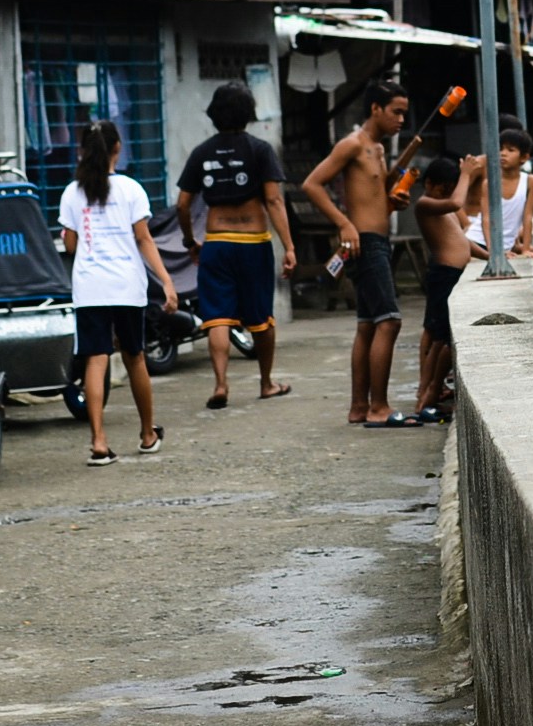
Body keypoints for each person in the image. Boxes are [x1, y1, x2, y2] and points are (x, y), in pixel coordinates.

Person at [59, 120, 176, 466]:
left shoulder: (72, 192)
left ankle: (98, 440)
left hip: (90, 287)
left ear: (83, 151)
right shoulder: (131, 190)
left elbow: (69, 245)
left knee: (96, 360)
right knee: (135, 356)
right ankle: (146, 434)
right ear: (117, 149)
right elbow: (144, 239)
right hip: (126, 286)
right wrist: (167, 282)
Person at [175, 81, 295, 410]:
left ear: (214, 113)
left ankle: (221, 384)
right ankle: (266, 383)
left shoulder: (202, 152)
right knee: (260, 317)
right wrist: (289, 247)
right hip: (253, 243)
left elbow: (182, 205)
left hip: (216, 242)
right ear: (248, 113)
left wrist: (190, 241)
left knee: (218, 317)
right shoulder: (260, 149)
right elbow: (273, 200)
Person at [302, 80, 413, 428]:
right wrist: (343, 224)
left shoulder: (378, 150)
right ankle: (378, 408)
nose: (400, 120)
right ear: (375, 109)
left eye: (404, 114)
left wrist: (392, 203)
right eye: (396, 112)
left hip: (375, 240)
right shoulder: (352, 144)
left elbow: (372, 198)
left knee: (368, 325)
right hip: (363, 242)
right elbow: (312, 184)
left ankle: (359, 407)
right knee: (389, 321)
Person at [410, 153, 479, 422]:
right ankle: (426, 396)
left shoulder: (444, 206)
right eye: (444, 188)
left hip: (453, 274)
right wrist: (465, 174)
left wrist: (494, 255)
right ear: (430, 184)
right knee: (442, 340)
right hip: (443, 275)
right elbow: (457, 201)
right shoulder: (426, 204)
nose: (447, 193)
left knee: (443, 340)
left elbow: (463, 241)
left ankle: (429, 393)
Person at [462, 126, 533, 260]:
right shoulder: (490, 183)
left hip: (505, 247)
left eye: (510, 150)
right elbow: (486, 219)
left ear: (524, 157)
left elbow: (528, 217)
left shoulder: (530, 181)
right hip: (477, 243)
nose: (503, 153)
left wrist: (526, 249)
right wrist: (493, 251)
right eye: (500, 149)